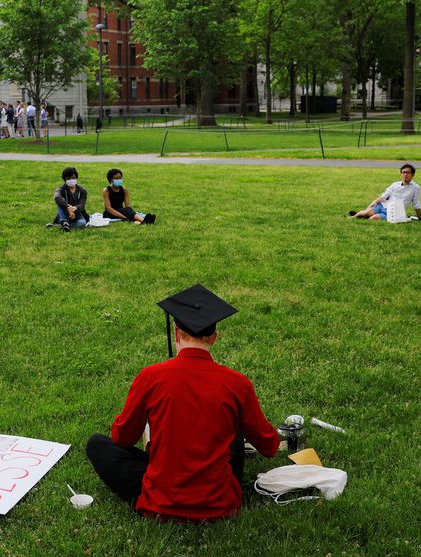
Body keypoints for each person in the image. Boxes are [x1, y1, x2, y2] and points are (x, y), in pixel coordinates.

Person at [86, 284, 282, 521]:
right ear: (214, 338)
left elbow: (122, 438)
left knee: (97, 444)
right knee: (235, 432)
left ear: (176, 334)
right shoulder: (237, 383)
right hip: (220, 504)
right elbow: (270, 447)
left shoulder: (150, 376)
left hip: (161, 502)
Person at [349, 163, 421, 220]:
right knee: (367, 212)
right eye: (403, 172)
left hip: (394, 212)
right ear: (401, 174)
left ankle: (365, 216)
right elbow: (384, 196)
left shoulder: (416, 188)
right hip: (383, 205)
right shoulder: (395, 184)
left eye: (408, 173)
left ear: (413, 175)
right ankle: (353, 217)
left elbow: (416, 204)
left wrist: (419, 217)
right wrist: (375, 201)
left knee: (374, 218)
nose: (405, 174)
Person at [51, 166, 88, 232]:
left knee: (82, 223)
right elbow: (56, 197)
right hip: (64, 213)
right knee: (60, 200)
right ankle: (65, 222)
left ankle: (64, 225)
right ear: (65, 180)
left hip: (77, 214)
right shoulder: (61, 189)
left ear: (76, 178)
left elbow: (82, 205)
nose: (71, 180)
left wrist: (74, 208)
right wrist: (68, 207)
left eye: (73, 178)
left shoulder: (82, 190)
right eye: (68, 178)